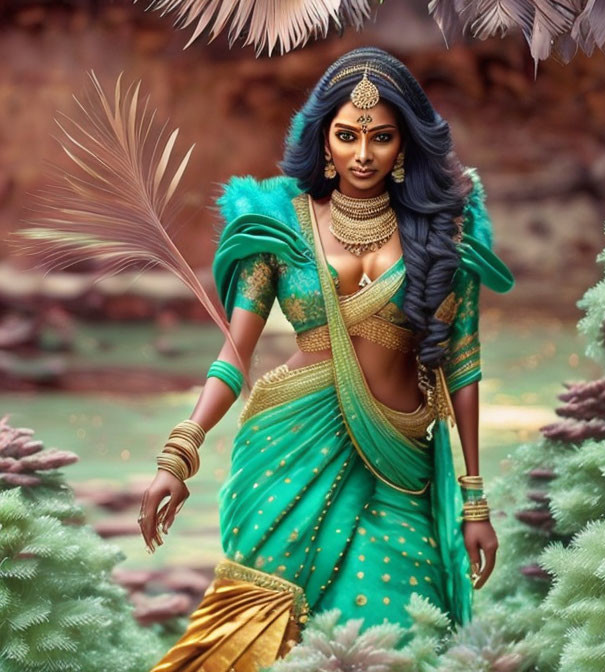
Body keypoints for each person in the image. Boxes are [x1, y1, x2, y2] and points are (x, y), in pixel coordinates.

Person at [139, 46, 514, 671]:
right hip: (286, 456)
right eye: (347, 136)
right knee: (255, 640)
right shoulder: (278, 222)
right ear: (323, 141)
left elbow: (464, 367)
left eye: (381, 138)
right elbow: (234, 358)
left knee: (403, 639)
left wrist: (475, 500)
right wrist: (179, 454)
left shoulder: (447, 225)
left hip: (401, 470)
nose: (362, 155)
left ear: (405, 147)